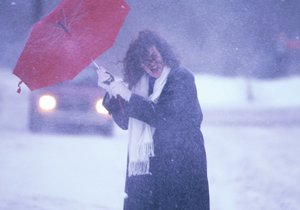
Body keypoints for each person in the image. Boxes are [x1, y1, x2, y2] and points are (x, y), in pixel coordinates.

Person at [97, 30, 209, 210]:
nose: (152, 64)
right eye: (144, 60)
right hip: (147, 169)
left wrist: (128, 95)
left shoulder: (181, 78)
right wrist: (112, 90)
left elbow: (164, 117)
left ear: (163, 53)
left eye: (154, 56)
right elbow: (126, 122)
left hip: (181, 164)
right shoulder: (141, 83)